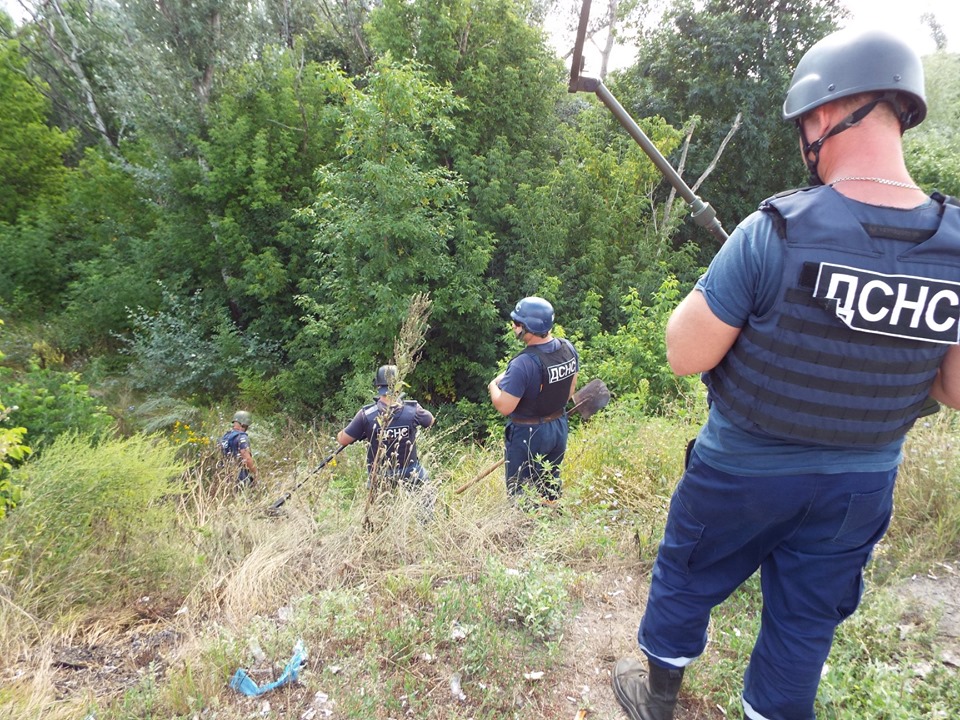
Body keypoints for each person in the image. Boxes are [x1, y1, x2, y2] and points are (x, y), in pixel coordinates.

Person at [612, 28, 960, 720]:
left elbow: (685, 354)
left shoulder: (775, 228)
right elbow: (953, 390)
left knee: (686, 576)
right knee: (805, 620)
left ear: (824, 114)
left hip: (740, 473)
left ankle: (658, 697)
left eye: (805, 124)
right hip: (860, 484)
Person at [488, 296, 579, 505]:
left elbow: (504, 406)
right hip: (558, 427)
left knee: (521, 495)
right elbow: (570, 390)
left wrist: (493, 385)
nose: (513, 326)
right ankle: (552, 518)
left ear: (529, 327)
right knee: (549, 485)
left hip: (528, 435)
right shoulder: (568, 348)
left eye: (517, 322)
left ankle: (525, 524)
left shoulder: (523, 363)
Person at [337, 365, 435, 490]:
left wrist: (363, 429)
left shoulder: (366, 415)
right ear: (399, 385)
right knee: (427, 489)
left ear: (378, 387)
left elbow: (342, 439)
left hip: (380, 477)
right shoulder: (413, 410)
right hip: (411, 474)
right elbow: (430, 420)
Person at [219, 410, 258, 488]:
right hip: (239, 475)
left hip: (224, 474)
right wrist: (255, 473)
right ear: (244, 425)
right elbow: (247, 458)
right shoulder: (242, 437)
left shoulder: (225, 436)